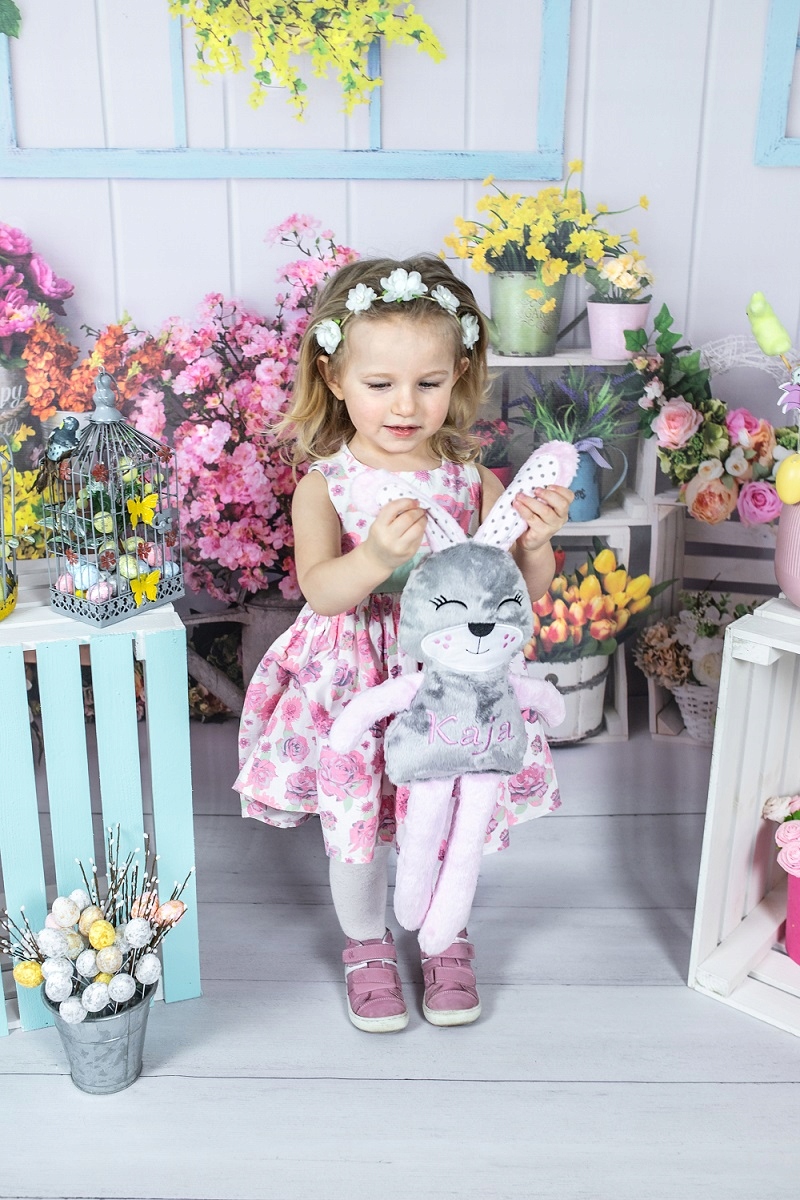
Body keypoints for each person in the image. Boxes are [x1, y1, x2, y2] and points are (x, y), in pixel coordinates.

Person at [234, 255, 573, 1033]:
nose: (405, 404)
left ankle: (445, 934)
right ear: (334, 376)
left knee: (452, 807)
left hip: (452, 682)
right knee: (360, 823)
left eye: (429, 382)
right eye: (380, 383)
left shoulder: (472, 480)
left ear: (460, 375)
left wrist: (536, 545)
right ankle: (366, 943)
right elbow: (322, 590)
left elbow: (522, 592)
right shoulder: (326, 483)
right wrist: (376, 558)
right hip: (356, 676)